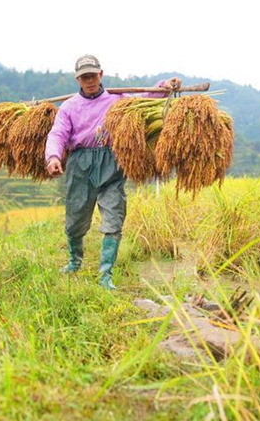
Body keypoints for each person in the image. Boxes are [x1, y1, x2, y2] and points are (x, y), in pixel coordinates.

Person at [45, 54, 181, 289]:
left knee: (114, 215)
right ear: (77, 79)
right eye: (84, 77)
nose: (89, 80)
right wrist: (54, 156)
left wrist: (164, 86)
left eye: (92, 75)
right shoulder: (69, 107)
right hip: (81, 163)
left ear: (101, 74)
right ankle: (74, 262)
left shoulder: (118, 99)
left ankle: (105, 274)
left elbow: (146, 96)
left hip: (112, 161)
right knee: (76, 217)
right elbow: (58, 133)